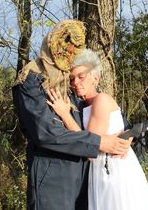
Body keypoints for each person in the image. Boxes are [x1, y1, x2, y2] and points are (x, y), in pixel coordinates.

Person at [12, 20, 131, 210]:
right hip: (52, 185)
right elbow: (47, 134)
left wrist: (126, 135)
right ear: (52, 43)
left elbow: (107, 113)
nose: (67, 52)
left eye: (73, 47)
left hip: (86, 183)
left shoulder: (70, 81)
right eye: (63, 45)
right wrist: (100, 143)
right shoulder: (31, 81)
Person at [47, 49, 148, 210]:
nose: (75, 82)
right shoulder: (83, 106)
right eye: (72, 78)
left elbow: (88, 145)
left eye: (81, 77)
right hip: (100, 172)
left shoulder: (101, 100)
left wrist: (64, 114)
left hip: (115, 173)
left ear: (95, 78)